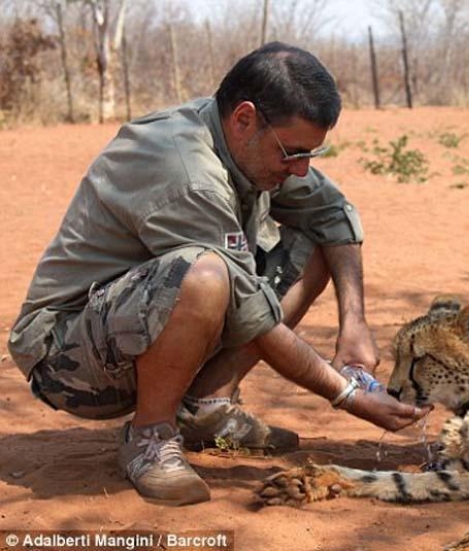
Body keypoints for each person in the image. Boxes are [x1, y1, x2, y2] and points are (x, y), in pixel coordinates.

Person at [7, 41, 428, 506]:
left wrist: (355, 323)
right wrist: (347, 393)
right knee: (205, 277)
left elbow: (332, 213)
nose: (302, 168)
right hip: (70, 361)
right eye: (292, 152)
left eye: (313, 153)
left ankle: (207, 408)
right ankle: (149, 438)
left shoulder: (248, 146)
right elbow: (250, 310)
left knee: (312, 244)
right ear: (244, 118)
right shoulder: (185, 168)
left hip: (141, 329)